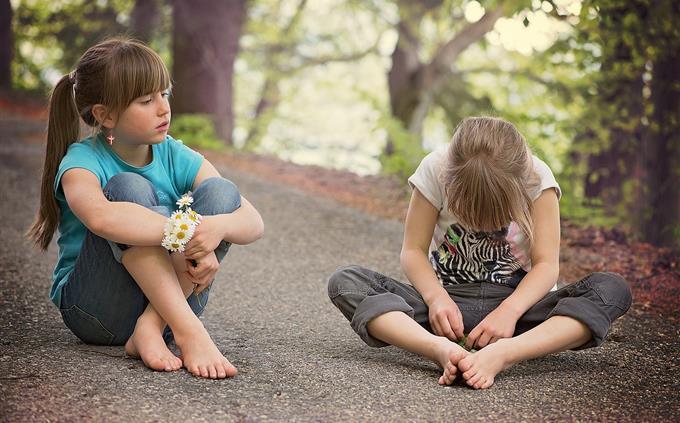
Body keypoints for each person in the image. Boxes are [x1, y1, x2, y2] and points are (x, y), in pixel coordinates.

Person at [328, 116, 632, 389]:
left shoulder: (538, 179)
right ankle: (437, 349)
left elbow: (546, 265)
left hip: (522, 311)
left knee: (612, 290)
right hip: (446, 309)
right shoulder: (435, 168)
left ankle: (504, 353)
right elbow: (413, 251)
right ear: (451, 180)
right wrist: (436, 299)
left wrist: (509, 312)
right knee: (345, 282)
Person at [26, 37, 264, 380]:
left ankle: (151, 327)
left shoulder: (173, 153)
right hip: (98, 311)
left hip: (169, 308)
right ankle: (190, 332)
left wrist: (216, 229)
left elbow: (252, 221)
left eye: (164, 94)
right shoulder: (82, 162)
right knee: (127, 188)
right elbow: (101, 217)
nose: (163, 108)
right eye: (146, 100)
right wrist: (187, 236)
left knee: (221, 192)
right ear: (105, 115)